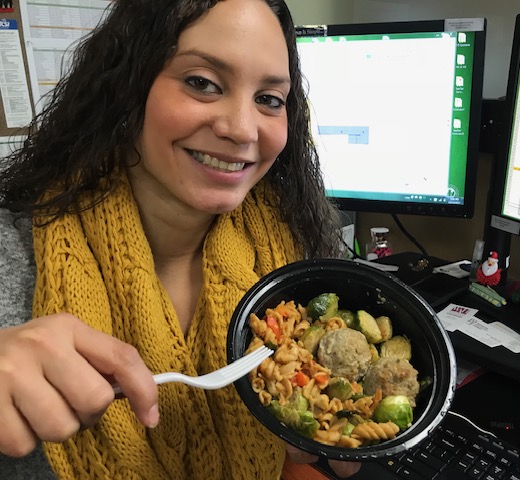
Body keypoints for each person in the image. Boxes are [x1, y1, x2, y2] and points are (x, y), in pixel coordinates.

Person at [0, 0, 360, 478]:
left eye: (269, 99)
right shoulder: (10, 261)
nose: (242, 129)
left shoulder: (302, 245)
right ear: (127, 87)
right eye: (202, 83)